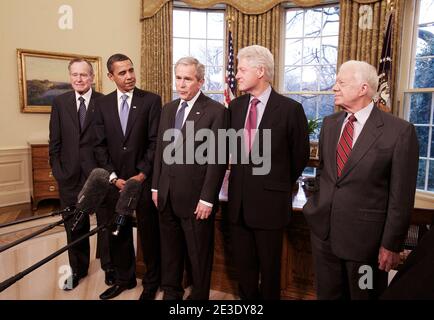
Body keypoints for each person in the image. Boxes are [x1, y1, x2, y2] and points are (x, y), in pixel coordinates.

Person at [303, 60, 419, 300]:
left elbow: (401, 196)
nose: (334, 87)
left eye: (341, 83)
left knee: (364, 296)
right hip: (324, 237)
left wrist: (391, 244)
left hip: (366, 245)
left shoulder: (399, 131)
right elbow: (326, 175)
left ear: (363, 88)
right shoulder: (330, 124)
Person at [228, 45, 310, 300]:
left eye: (242, 69)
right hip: (238, 205)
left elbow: (299, 157)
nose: (236, 75)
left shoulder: (290, 109)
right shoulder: (236, 107)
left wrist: (275, 183)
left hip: (270, 204)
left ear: (260, 70)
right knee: (244, 269)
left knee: (270, 270)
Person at [152, 57, 228, 300]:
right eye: (178, 78)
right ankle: (171, 294)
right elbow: (159, 153)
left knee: (198, 256)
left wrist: (207, 199)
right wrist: (155, 186)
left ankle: (199, 298)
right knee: (170, 253)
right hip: (166, 195)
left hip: (196, 200)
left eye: (188, 79)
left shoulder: (216, 111)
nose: (181, 84)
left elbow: (217, 159)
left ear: (200, 81)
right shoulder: (168, 109)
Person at [94, 54, 162, 300]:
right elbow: (99, 145)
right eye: (122, 73)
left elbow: (156, 142)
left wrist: (141, 175)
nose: (129, 76)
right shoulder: (101, 105)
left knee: (149, 234)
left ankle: (152, 283)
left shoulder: (151, 101)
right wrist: (113, 177)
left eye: (131, 70)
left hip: (143, 180)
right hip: (115, 184)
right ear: (111, 77)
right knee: (118, 232)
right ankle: (125, 279)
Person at [49, 58, 108, 290]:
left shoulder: (104, 102)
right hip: (70, 177)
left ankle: (109, 267)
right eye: (75, 74)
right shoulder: (60, 102)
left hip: (98, 175)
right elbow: (54, 140)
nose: (79, 79)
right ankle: (78, 270)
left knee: (105, 223)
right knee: (74, 226)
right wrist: (58, 170)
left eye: (83, 75)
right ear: (70, 76)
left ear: (92, 77)